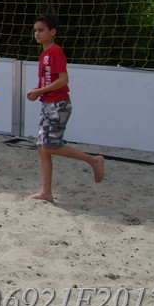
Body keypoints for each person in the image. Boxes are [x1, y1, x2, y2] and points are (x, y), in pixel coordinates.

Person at [26, 14, 105, 202]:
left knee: (50, 146)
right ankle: (46, 192)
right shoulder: (44, 53)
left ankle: (94, 160)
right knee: (42, 147)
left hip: (58, 104)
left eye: (41, 30)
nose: (37, 33)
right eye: (35, 30)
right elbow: (50, 81)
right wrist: (38, 91)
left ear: (52, 32)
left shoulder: (55, 51)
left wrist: (40, 91)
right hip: (48, 103)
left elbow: (63, 79)